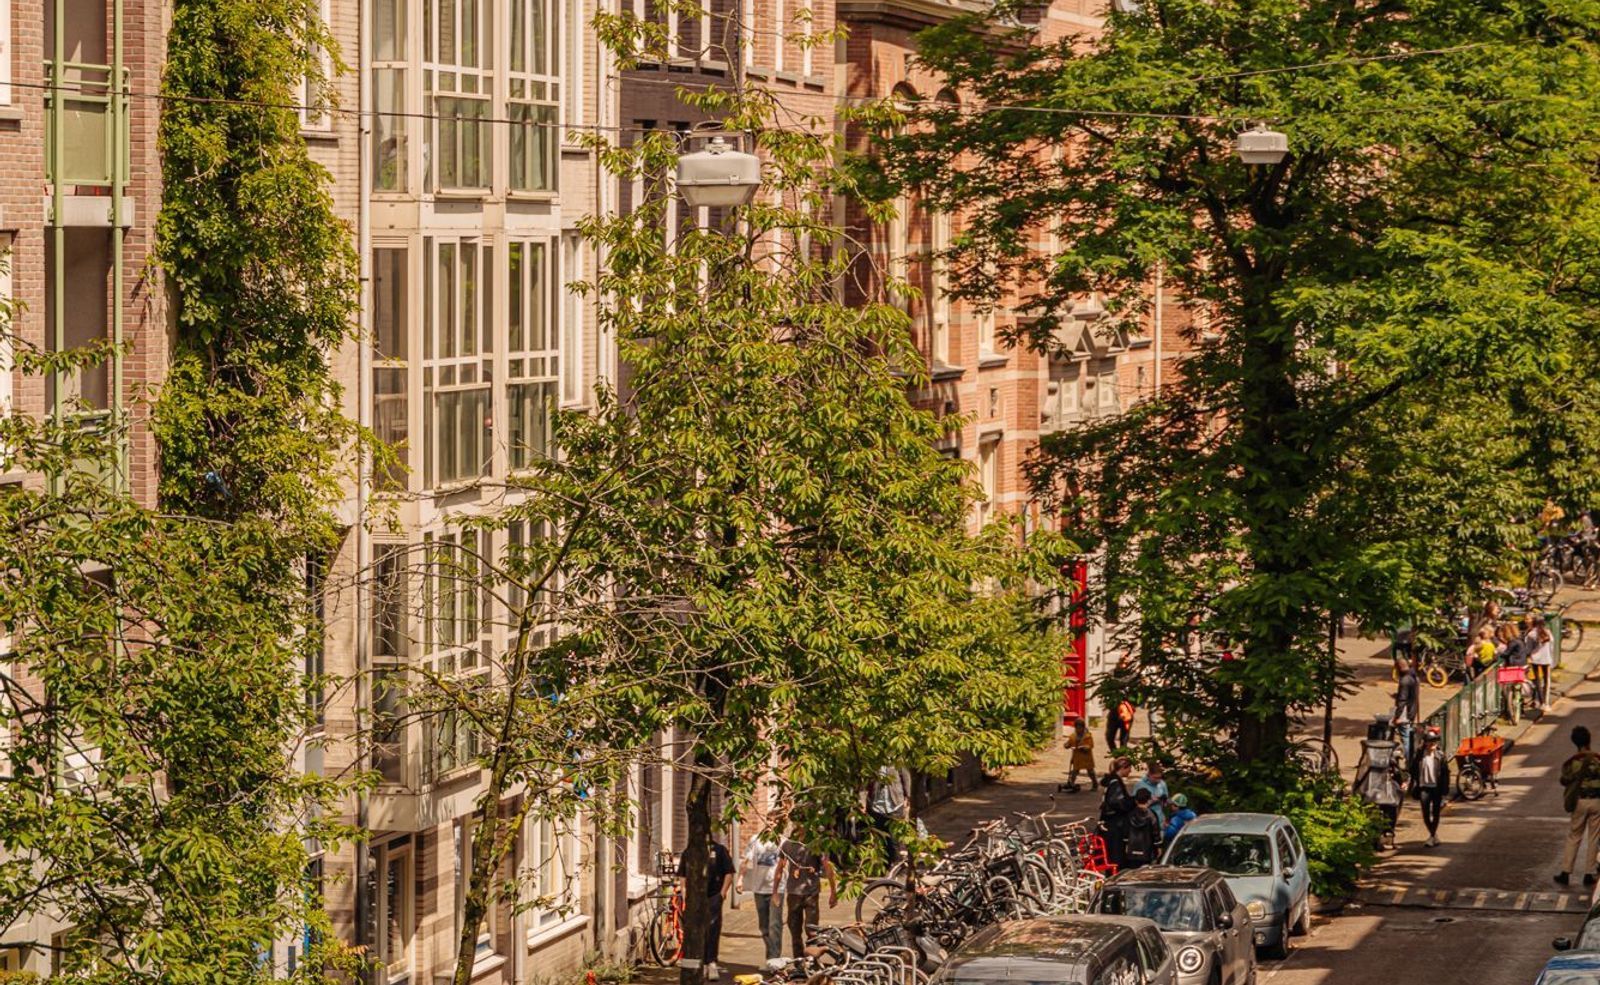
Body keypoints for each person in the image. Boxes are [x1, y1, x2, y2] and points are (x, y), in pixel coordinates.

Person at [775, 828, 838, 959]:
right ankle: (799, 960)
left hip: (811, 892)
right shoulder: (788, 844)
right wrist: (774, 892)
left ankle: (811, 960)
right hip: (794, 892)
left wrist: (833, 891)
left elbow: (827, 866)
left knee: (812, 930)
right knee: (795, 929)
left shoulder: (817, 844)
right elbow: (780, 868)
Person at [1559, 726, 1600, 887]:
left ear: (1575, 742)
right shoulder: (1597, 759)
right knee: (1594, 837)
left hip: (1579, 802)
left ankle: (1565, 872)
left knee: (1574, 836)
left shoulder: (1572, 762)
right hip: (1597, 801)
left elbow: (1564, 780)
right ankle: (1589, 873)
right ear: (1589, 740)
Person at [740, 830, 784, 967]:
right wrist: (740, 879)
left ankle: (774, 960)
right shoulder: (755, 839)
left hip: (777, 888)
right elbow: (746, 860)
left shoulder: (783, 841)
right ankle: (771, 957)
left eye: (775, 821)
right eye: (769, 820)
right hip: (759, 887)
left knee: (774, 924)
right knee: (764, 926)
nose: (771, 824)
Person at [704, 834, 737, 980]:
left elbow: (729, 872)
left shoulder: (719, 850)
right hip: (696, 898)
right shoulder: (690, 851)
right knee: (697, 929)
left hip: (714, 895)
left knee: (713, 928)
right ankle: (698, 963)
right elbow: (683, 873)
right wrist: (685, 892)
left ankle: (711, 962)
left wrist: (722, 894)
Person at [1412, 727, 1450, 848]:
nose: (1432, 744)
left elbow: (1445, 773)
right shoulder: (1419, 755)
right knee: (1425, 813)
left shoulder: (1440, 756)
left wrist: (1445, 790)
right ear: (1426, 742)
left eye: (1434, 741)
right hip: (1424, 787)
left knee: (1436, 813)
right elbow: (1412, 769)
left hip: (1436, 788)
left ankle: (1432, 836)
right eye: (1430, 741)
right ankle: (1433, 835)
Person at [867, 765, 909, 866]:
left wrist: (908, 797)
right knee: (881, 839)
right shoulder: (871, 764)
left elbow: (906, 779)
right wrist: (862, 802)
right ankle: (885, 866)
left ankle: (898, 865)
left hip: (895, 805)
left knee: (894, 839)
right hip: (876, 807)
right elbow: (864, 785)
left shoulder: (897, 763)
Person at [1098, 757, 1135, 867]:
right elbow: (1117, 802)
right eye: (1129, 768)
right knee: (1115, 855)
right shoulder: (1115, 783)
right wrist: (1131, 803)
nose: (1130, 771)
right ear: (1123, 768)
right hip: (1114, 825)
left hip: (1109, 823)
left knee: (1112, 854)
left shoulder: (1112, 781)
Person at [1124, 789, 1161, 869]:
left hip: (1132, 848)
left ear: (1136, 800)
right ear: (1149, 800)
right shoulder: (1152, 815)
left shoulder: (1130, 814)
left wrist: (1126, 844)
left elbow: (1126, 831)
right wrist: (1158, 846)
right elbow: (1155, 832)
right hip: (1147, 849)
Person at [1393, 657, 1420, 762]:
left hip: (1405, 714)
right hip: (1412, 711)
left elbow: (1402, 700)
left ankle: (1409, 763)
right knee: (1408, 737)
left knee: (1406, 739)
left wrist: (1397, 716)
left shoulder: (1404, 681)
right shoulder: (1413, 676)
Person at [1061, 718, 1097, 793]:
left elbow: (1091, 745)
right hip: (1077, 757)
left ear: (1083, 728)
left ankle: (1095, 784)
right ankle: (1071, 784)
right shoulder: (1073, 736)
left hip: (1086, 757)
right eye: (1077, 728)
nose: (1078, 729)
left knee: (1090, 772)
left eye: (1080, 728)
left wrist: (1085, 747)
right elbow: (1068, 743)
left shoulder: (1088, 736)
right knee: (1074, 772)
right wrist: (1066, 745)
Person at [1528, 616, 1556, 712]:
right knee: (1546, 680)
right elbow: (1552, 645)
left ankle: (1539, 701)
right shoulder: (1548, 633)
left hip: (1534, 659)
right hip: (1546, 659)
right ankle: (1546, 703)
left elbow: (1528, 648)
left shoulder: (1531, 634)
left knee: (1537, 680)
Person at [1134, 761, 1171, 829]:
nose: (1158, 780)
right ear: (1149, 775)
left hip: (1160, 820)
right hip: (1145, 822)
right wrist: (1150, 802)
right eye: (1155, 778)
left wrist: (1165, 800)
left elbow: (1167, 801)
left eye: (1159, 777)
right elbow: (1135, 804)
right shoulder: (1140, 785)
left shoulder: (1162, 784)